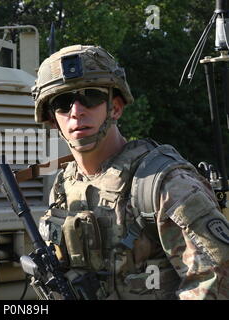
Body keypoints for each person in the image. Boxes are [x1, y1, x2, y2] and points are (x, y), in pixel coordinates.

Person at [30, 44, 229, 300]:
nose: (76, 111)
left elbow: (217, 279)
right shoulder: (64, 185)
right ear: (51, 118)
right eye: (63, 103)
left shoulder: (163, 184)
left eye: (90, 96)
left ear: (115, 108)